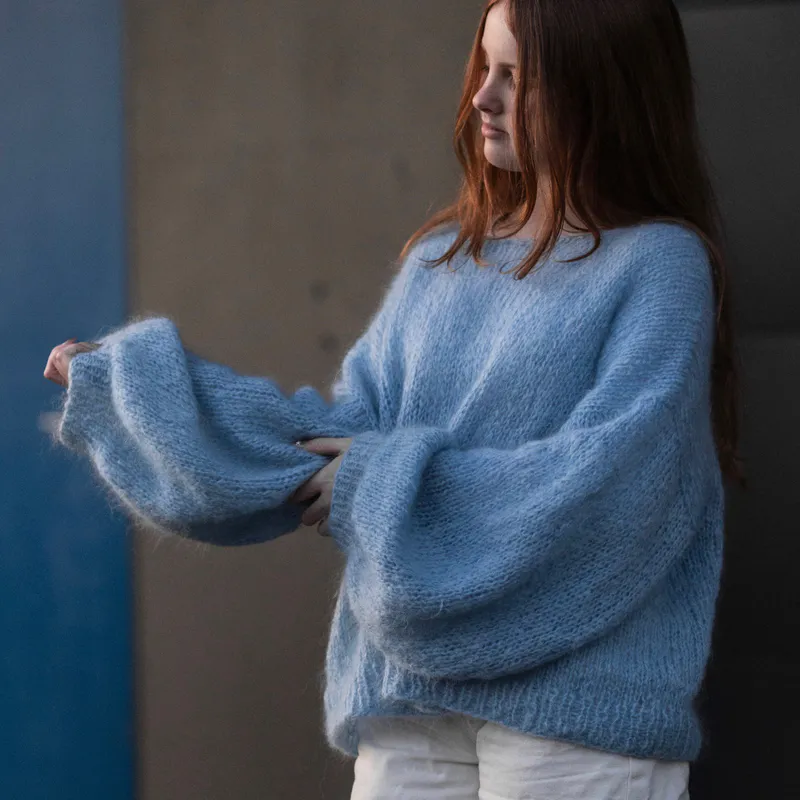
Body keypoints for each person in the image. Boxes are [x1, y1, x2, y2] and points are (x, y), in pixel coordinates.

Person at [44, 0, 745, 797]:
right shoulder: (443, 261)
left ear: (601, 89)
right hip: (405, 695)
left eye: (518, 76)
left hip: (573, 713)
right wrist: (149, 388)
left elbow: (616, 486)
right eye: (485, 65)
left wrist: (374, 481)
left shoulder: (660, 266)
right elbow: (337, 439)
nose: (483, 95)